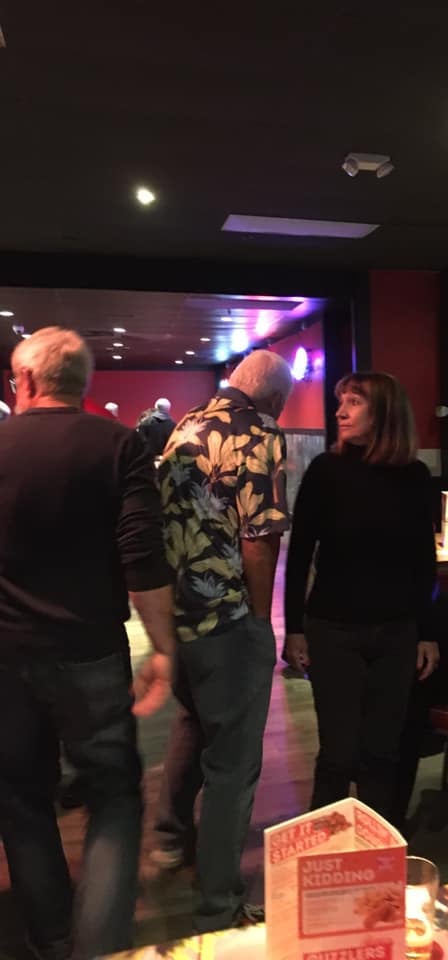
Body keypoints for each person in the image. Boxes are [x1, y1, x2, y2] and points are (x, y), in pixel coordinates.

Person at [0, 327, 176, 960]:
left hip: (5, 656)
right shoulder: (120, 444)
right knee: (114, 797)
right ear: (82, 383)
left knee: (20, 798)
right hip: (92, 652)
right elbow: (143, 558)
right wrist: (163, 649)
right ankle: (99, 950)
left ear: (25, 380)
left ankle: (51, 941)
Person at [151, 350, 293, 932]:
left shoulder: (184, 425)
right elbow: (259, 535)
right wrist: (260, 619)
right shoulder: (260, 432)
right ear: (274, 399)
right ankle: (219, 902)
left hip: (178, 616)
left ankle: (169, 836)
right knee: (234, 764)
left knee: (193, 723)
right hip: (227, 618)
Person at [284, 372, 439, 825]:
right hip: (333, 628)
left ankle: (376, 849)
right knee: (338, 753)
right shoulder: (325, 470)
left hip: (397, 631)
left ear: (384, 412)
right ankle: (324, 850)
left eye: (354, 402)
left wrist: (427, 632)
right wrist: (293, 628)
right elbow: (299, 554)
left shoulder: (414, 476)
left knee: (382, 752)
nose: (340, 411)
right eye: (342, 401)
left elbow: (422, 560)